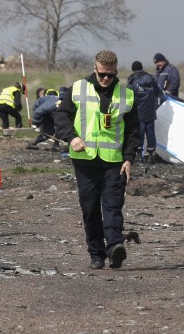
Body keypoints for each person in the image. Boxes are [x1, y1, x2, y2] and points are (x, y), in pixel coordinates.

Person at [54, 50, 140, 270]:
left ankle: (115, 247)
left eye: (110, 75)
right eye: (102, 74)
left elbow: (133, 131)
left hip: (114, 162)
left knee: (113, 207)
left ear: (115, 73)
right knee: (90, 209)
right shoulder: (78, 89)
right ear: (95, 69)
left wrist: (129, 159)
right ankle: (96, 254)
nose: (105, 79)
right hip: (85, 162)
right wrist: (71, 137)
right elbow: (61, 116)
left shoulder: (126, 94)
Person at [127, 60, 163, 163]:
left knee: (139, 133)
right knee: (151, 133)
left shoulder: (132, 81)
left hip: (138, 112)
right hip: (151, 111)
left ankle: (139, 155)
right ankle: (152, 154)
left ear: (133, 69)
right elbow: (158, 93)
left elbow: (129, 98)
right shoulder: (151, 79)